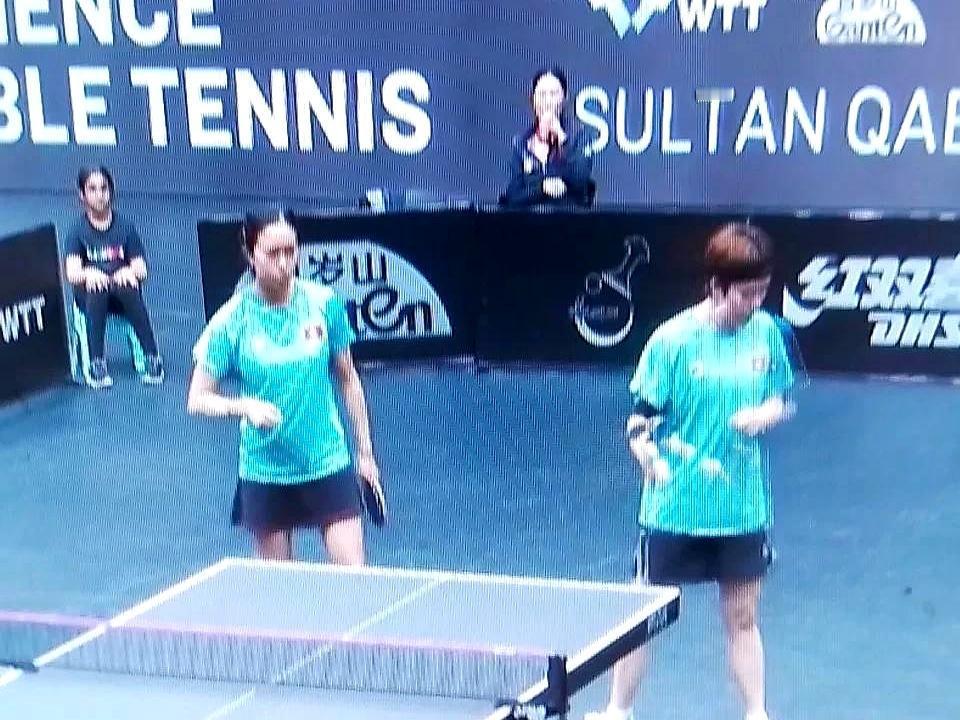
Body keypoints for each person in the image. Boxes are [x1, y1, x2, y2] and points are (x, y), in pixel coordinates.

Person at [586, 223, 796, 720]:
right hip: (675, 505)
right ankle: (617, 711)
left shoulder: (769, 333)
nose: (755, 303)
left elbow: (781, 399)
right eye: (746, 293)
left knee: (743, 617)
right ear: (717, 286)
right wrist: (643, 451)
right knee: (642, 617)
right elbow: (640, 419)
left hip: (741, 506)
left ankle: (756, 713)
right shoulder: (672, 341)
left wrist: (766, 414)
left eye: (762, 291)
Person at [186, 212, 385, 564]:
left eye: (290, 251)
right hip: (266, 470)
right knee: (278, 588)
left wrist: (365, 455)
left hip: (326, 460)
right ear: (250, 254)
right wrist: (244, 406)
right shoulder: (231, 321)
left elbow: (348, 379)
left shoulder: (324, 303)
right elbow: (197, 399)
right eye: (272, 253)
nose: (284, 263)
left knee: (355, 579)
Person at [64, 166, 164, 388]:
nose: (99, 195)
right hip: (90, 298)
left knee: (129, 286)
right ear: (82, 195)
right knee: (97, 288)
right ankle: (97, 362)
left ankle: (152, 356)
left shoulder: (125, 227)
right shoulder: (77, 231)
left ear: (110, 191)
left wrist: (130, 271)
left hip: (121, 297)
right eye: (92, 189)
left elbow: (142, 269)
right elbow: (72, 273)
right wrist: (90, 273)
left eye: (104, 188)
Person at [501, 66, 595, 208]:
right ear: (532, 99)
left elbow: (580, 179)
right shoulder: (522, 143)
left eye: (554, 94)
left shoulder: (580, 137)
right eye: (542, 94)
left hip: (569, 218)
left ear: (564, 98)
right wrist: (542, 188)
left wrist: (562, 138)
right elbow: (513, 195)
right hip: (530, 219)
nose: (547, 101)